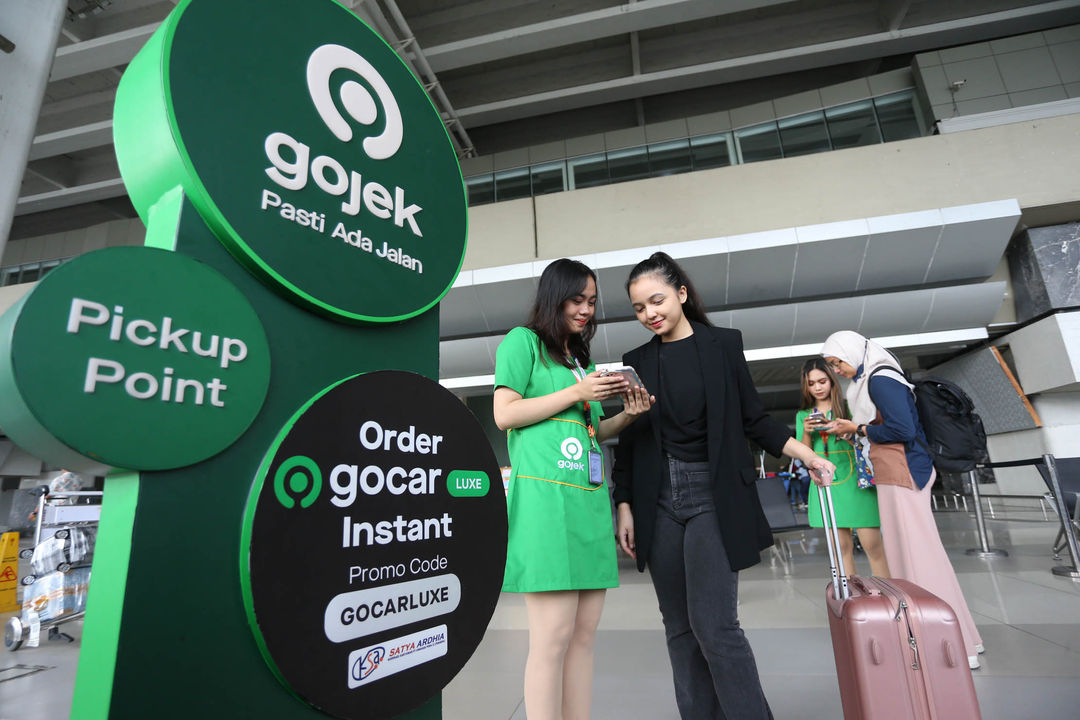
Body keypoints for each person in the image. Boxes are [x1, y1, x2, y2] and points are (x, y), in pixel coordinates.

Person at [612, 252, 836, 720]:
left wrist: (809, 455)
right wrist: (625, 504)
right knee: (678, 627)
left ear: (682, 294)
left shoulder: (723, 345)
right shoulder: (635, 362)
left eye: (656, 301)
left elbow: (754, 418)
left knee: (715, 626)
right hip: (659, 501)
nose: (649, 314)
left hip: (713, 495)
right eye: (638, 308)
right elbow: (631, 442)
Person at [493, 258, 653, 720]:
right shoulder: (521, 342)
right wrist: (576, 395)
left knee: (584, 636)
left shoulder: (582, 361)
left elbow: (594, 432)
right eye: (576, 300)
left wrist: (629, 414)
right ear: (553, 296)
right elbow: (506, 414)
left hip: (586, 503)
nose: (585, 310)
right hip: (544, 504)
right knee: (553, 636)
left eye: (592, 302)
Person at [819, 330, 985, 669]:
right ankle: (958, 640)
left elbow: (903, 429)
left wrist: (860, 429)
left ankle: (949, 646)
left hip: (904, 473)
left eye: (837, 362)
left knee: (919, 561)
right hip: (898, 473)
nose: (837, 370)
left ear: (851, 352)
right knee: (914, 560)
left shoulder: (881, 380)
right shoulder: (876, 377)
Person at [797, 357, 889, 578]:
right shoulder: (803, 415)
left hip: (857, 480)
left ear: (832, 380)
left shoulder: (849, 407)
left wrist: (843, 431)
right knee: (840, 548)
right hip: (826, 481)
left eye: (822, 381)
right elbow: (804, 456)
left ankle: (890, 600)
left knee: (872, 544)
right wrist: (808, 431)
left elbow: (867, 443)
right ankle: (851, 602)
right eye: (811, 384)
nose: (817, 387)